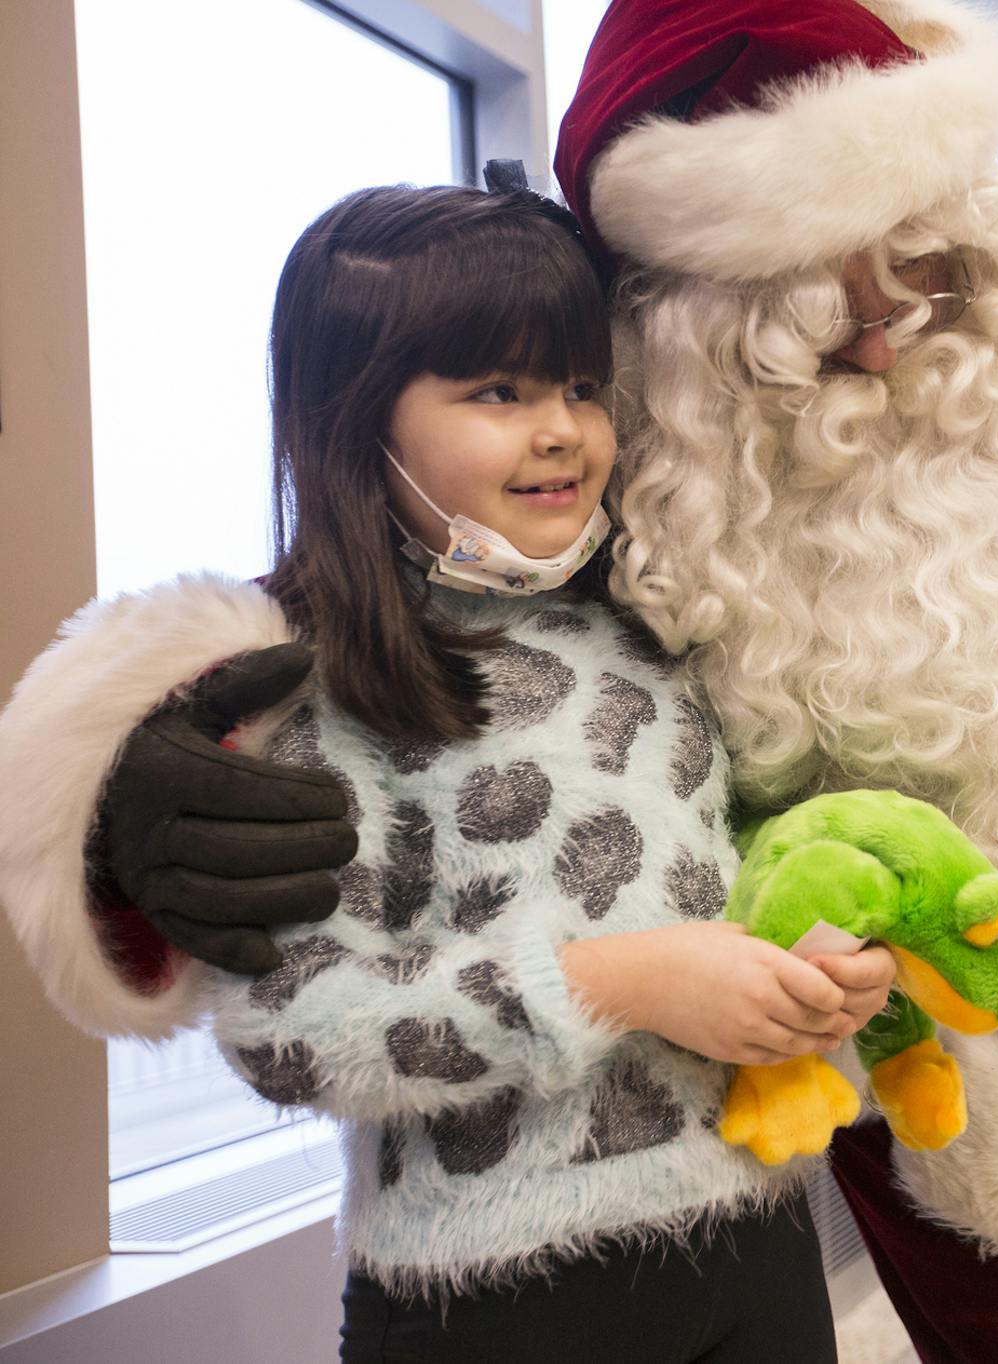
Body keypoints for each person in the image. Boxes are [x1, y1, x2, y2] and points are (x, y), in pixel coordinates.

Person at [0, 4, 998, 1361]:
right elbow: (326, 660)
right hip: (507, 1261)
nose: (882, 344)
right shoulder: (644, 511)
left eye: (931, 282)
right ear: (682, 324)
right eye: (812, 317)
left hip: (809, 1127)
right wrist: (111, 788)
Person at [0, 180, 900, 1362]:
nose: (562, 429)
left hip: (759, 1230)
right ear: (355, 416)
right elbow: (293, 1033)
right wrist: (614, 983)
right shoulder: (314, 687)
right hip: (491, 1295)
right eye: (497, 389)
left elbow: (709, 897)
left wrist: (801, 977)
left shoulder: (652, 634)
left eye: (581, 385)